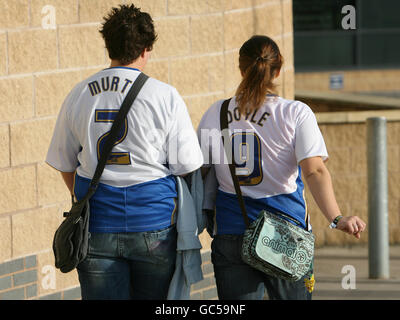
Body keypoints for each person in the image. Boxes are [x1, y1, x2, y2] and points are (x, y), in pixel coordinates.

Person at [46, 4, 203, 300]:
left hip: (97, 226)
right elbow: (187, 165)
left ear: (108, 45)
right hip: (154, 224)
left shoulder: (79, 93)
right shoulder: (165, 95)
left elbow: (64, 162)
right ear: (146, 49)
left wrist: (86, 199)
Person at [197, 35, 366, 300]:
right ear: (278, 70)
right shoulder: (295, 113)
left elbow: (198, 171)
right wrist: (337, 218)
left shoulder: (216, 113)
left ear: (241, 69)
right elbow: (314, 171)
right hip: (286, 234)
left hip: (231, 231)